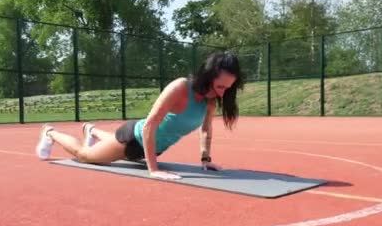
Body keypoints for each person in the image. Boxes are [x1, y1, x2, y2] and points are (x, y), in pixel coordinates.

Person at [35, 51, 244, 180]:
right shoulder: (180, 87)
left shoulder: (209, 101)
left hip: (148, 148)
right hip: (133, 140)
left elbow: (206, 129)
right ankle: (50, 132)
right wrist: (153, 169)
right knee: (85, 155)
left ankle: (91, 130)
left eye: (228, 88)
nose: (223, 92)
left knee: (109, 144)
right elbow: (150, 125)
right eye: (220, 85)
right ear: (208, 76)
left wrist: (205, 159)